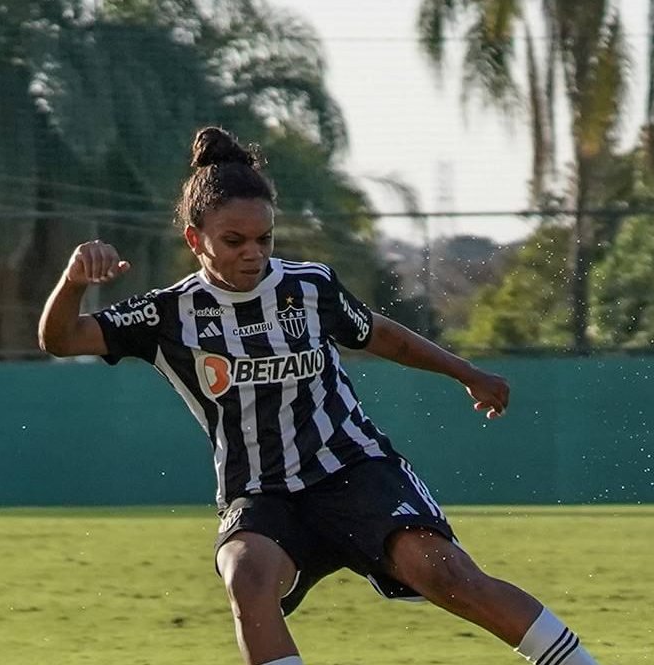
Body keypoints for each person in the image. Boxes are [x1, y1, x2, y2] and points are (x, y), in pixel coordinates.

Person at [39, 126, 602, 665]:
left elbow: (379, 333)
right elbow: (60, 339)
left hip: (354, 470)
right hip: (260, 491)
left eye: (264, 239)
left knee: (447, 575)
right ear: (195, 239)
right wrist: (72, 281)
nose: (252, 253)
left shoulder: (308, 286)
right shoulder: (167, 313)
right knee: (246, 575)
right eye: (233, 241)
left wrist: (466, 372)